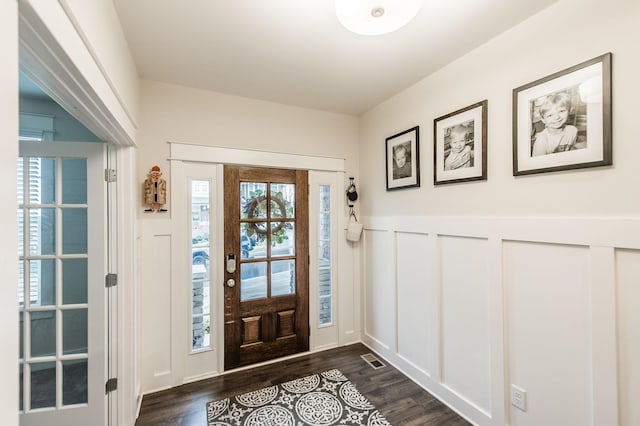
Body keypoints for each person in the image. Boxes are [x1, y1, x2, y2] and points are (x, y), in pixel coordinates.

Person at [531, 92, 578, 156]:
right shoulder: (542, 141)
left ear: (569, 111)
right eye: (550, 115)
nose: (556, 117)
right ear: (543, 120)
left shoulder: (573, 131)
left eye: (561, 111)